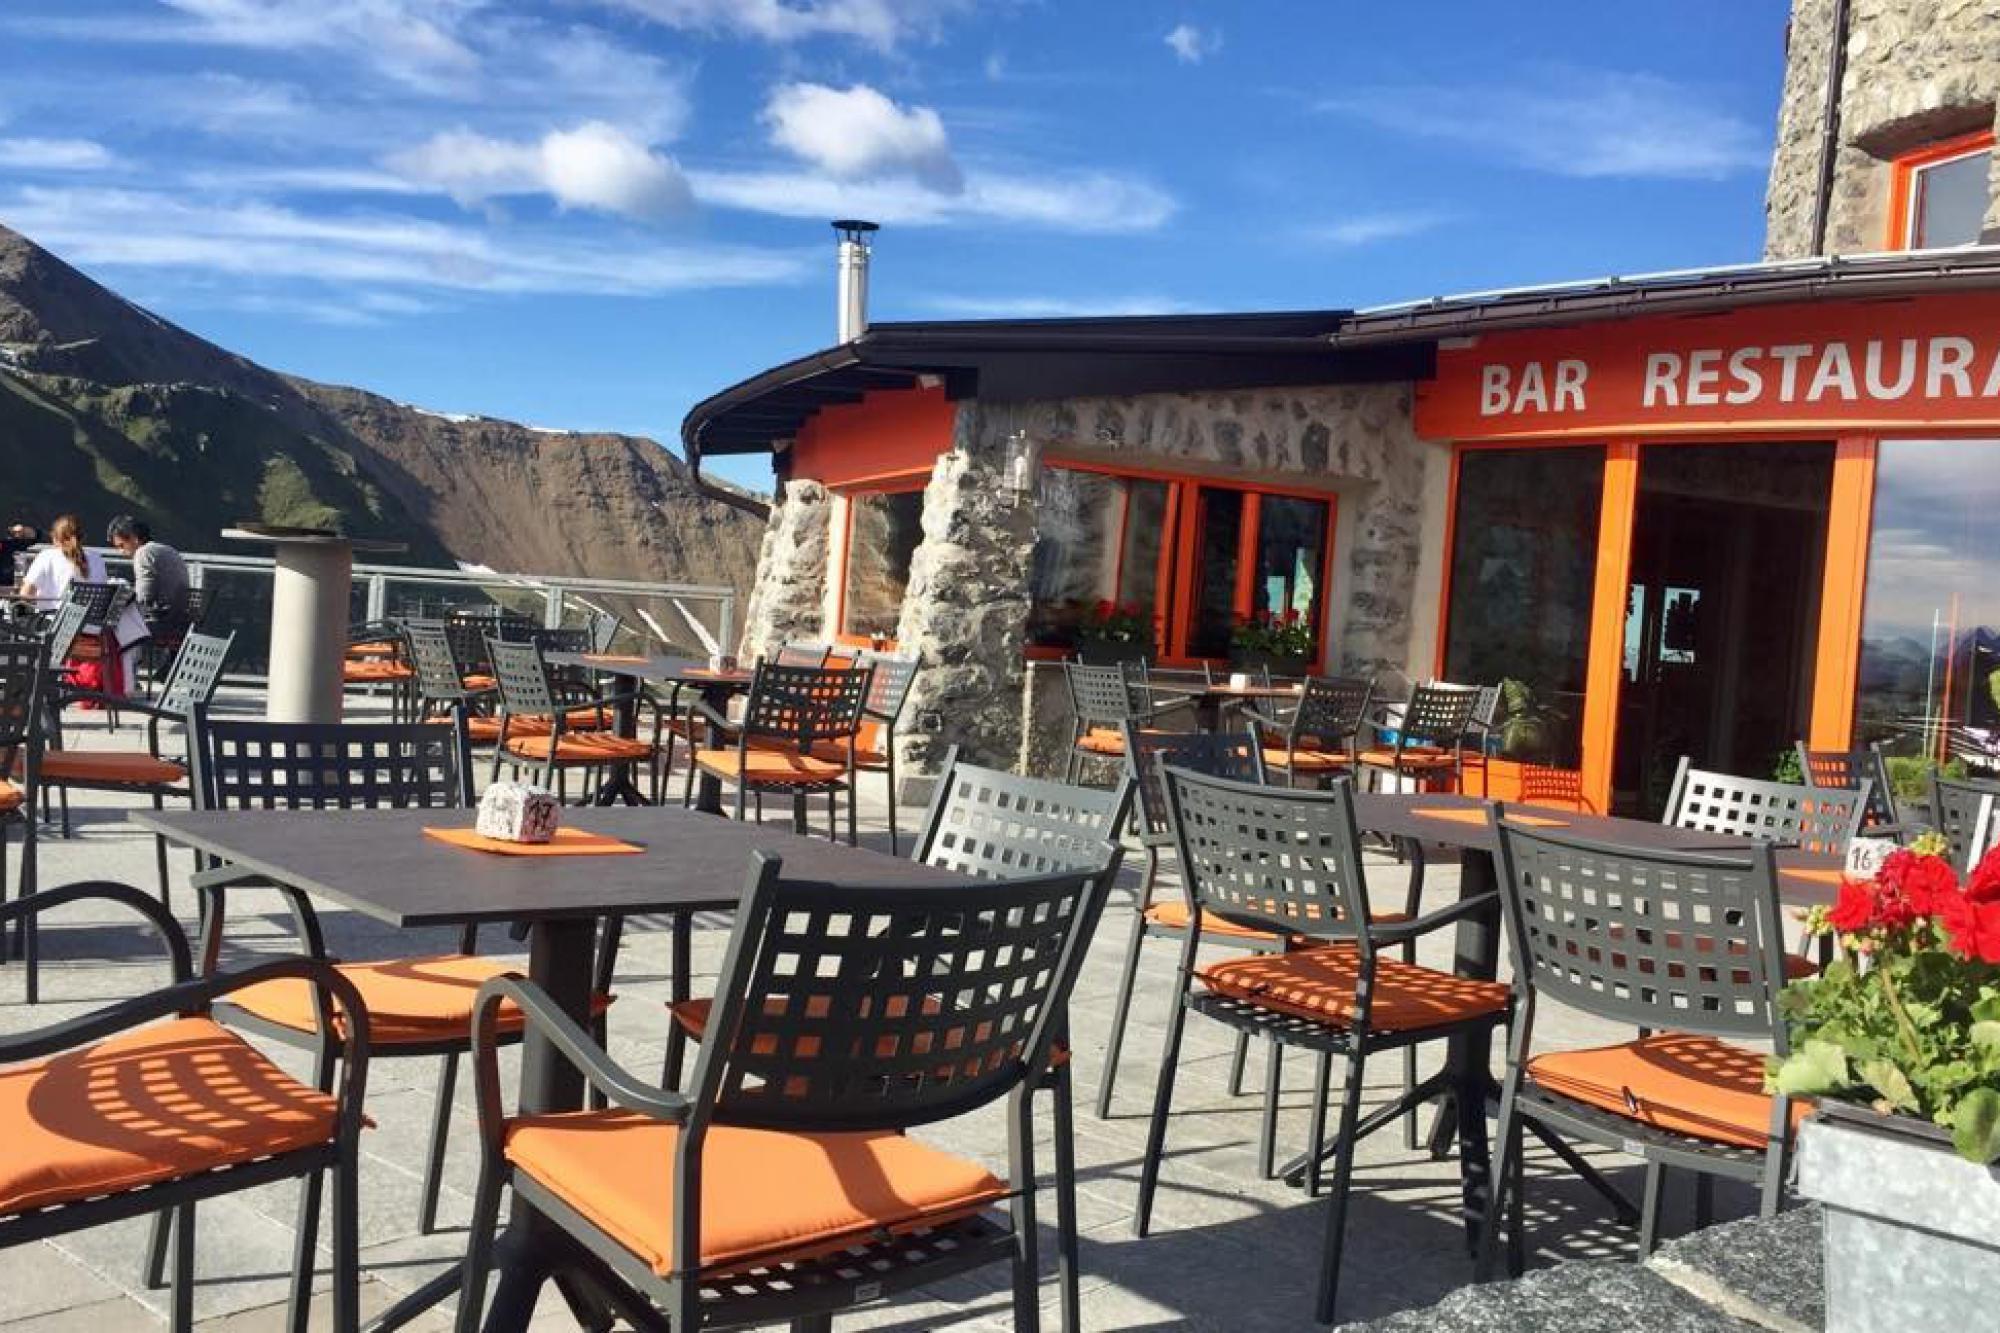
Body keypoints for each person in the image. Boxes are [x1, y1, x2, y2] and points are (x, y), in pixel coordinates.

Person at [106, 515, 190, 626]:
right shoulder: (167, 549)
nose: (121, 552)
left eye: (121, 546)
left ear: (134, 538)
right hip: (179, 620)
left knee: (109, 624)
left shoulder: (143, 553)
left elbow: (143, 598)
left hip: (159, 622)